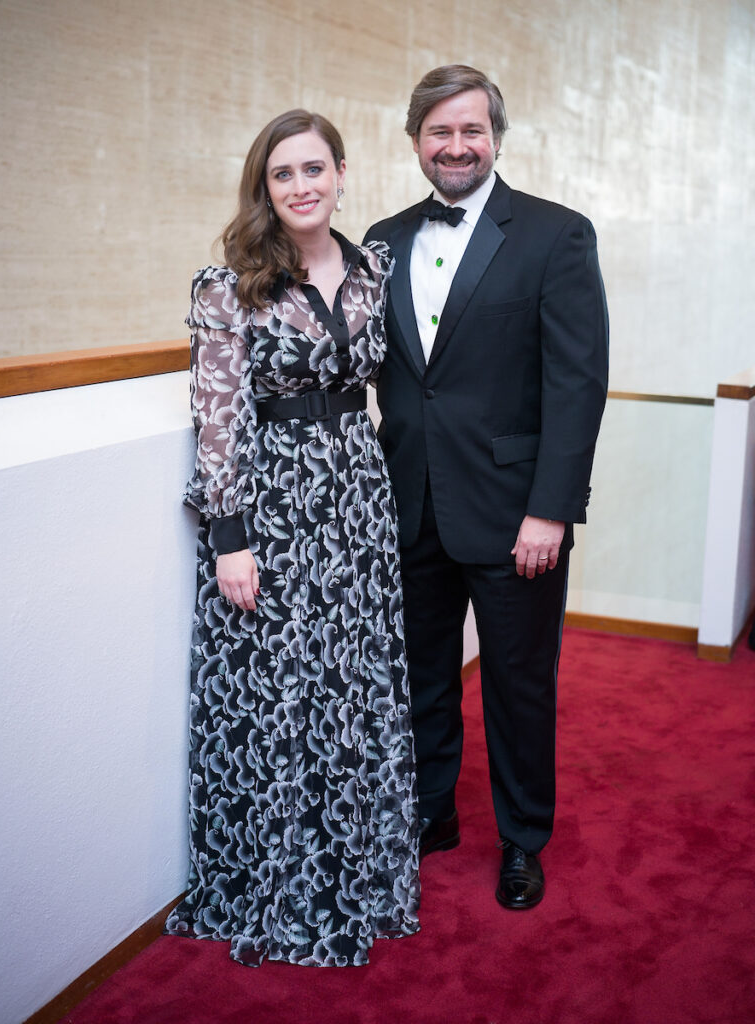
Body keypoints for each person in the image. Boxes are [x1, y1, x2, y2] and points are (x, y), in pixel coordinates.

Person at [165, 109, 420, 967]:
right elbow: (218, 418)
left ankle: (360, 871)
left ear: (342, 173)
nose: (302, 186)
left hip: (358, 500)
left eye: (315, 168)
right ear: (264, 187)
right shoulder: (227, 284)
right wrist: (228, 536)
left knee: (351, 684)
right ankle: (280, 882)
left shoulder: (374, 270)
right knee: (280, 693)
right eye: (283, 174)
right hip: (273, 505)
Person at [364, 65, 609, 910]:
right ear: (416, 142)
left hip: (516, 517)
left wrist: (551, 509)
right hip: (409, 505)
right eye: (439, 132)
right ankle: (432, 814)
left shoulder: (556, 234)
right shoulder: (382, 239)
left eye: (471, 130)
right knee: (421, 674)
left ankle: (522, 840)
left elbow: (578, 385)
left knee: (517, 681)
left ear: (495, 137)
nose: (456, 146)